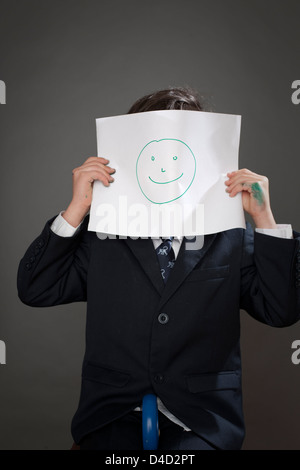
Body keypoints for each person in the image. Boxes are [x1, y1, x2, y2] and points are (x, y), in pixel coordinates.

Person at [17, 87, 300, 450]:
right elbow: (35, 289)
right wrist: (77, 210)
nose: (166, 167)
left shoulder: (230, 236)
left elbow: (281, 311)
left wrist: (264, 219)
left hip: (202, 420)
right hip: (111, 414)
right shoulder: (103, 235)